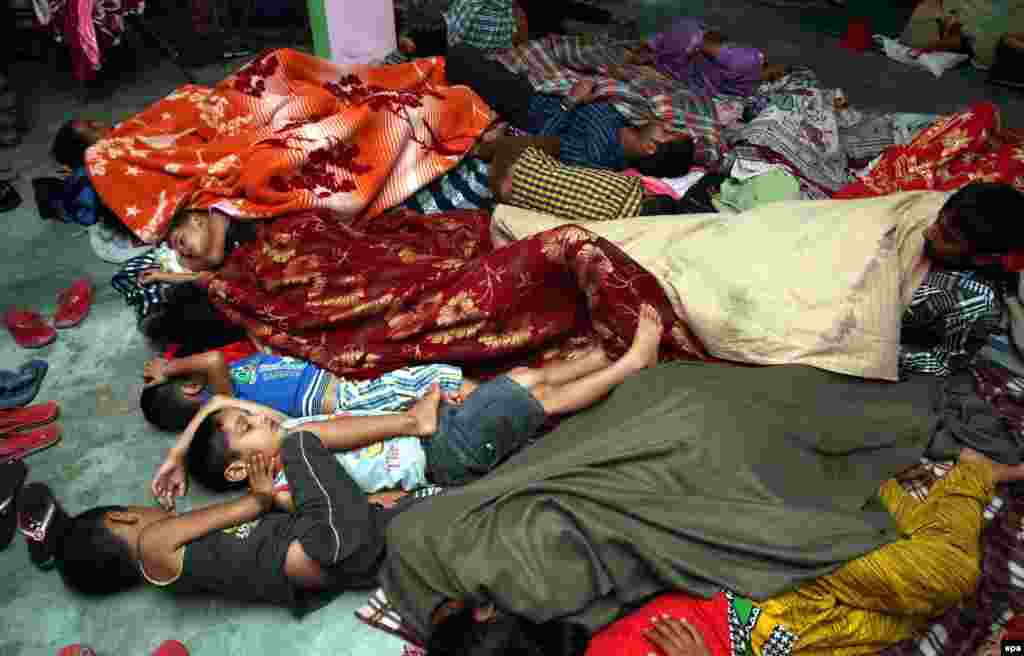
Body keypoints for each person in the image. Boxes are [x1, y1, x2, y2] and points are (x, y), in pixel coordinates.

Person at [421, 447, 1018, 656]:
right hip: (801, 634)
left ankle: (970, 475)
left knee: (946, 574)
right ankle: (937, 488)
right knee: (916, 604)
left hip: (783, 576)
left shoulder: (574, 624)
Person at [157, 306, 663, 504]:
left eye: (251, 414)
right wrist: (264, 497)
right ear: (240, 469)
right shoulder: (289, 466)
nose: (258, 414)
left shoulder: (283, 435)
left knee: (520, 380)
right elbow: (295, 483)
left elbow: (219, 399)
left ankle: (598, 355)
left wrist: (179, 453)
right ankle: (628, 366)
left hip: (437, 434)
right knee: (536, 397)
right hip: (440, 448)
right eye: (248, 426)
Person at [17, 429, 436, 607]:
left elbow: (257, 525)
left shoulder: (177, 572)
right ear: (123, 518)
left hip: (343, 564)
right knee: (297, 443)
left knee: (391, 517)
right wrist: (259, 493)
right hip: (324, 547)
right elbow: (253, 505)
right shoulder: (153, 544)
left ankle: (402, 516)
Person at [446, 45, 695, 174]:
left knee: (460, 56)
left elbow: (540, 142)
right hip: (549, 87)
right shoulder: (629, 124)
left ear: (650, 147)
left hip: (526, 104)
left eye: (668, 133)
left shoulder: (598, 155)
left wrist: (571, 102)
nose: (665, 126)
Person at [140, 339, 468, 432]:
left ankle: (486, 396)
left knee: (428, 390)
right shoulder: (226, 395)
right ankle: (501, 393)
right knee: (430, 378)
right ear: (190, 387)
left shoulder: (231, 387)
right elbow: (211, 359)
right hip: (344, 400)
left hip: (341, 387)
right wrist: (168, 368)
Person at [900, 182, 1024, 377]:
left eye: (947, 237)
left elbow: (944, 362)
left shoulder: (972, 303)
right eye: (938, 221)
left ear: (983, 258)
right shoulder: (952, 215)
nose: (928, 233)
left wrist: (890, 355)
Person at [474, 137, 698, 223]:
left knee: (551, 145)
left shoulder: (630, 183)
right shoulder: (614, 228)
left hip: (519, 161)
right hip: (511, 195)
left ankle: (479, 149)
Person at [637, 17, 786, 98]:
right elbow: (707, 47)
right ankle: (651, 50)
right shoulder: (748, 65)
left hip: (693, 73)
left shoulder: (748, 68)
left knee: (668, 58)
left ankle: (651, 50)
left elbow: (705, 46)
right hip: (694, 71)